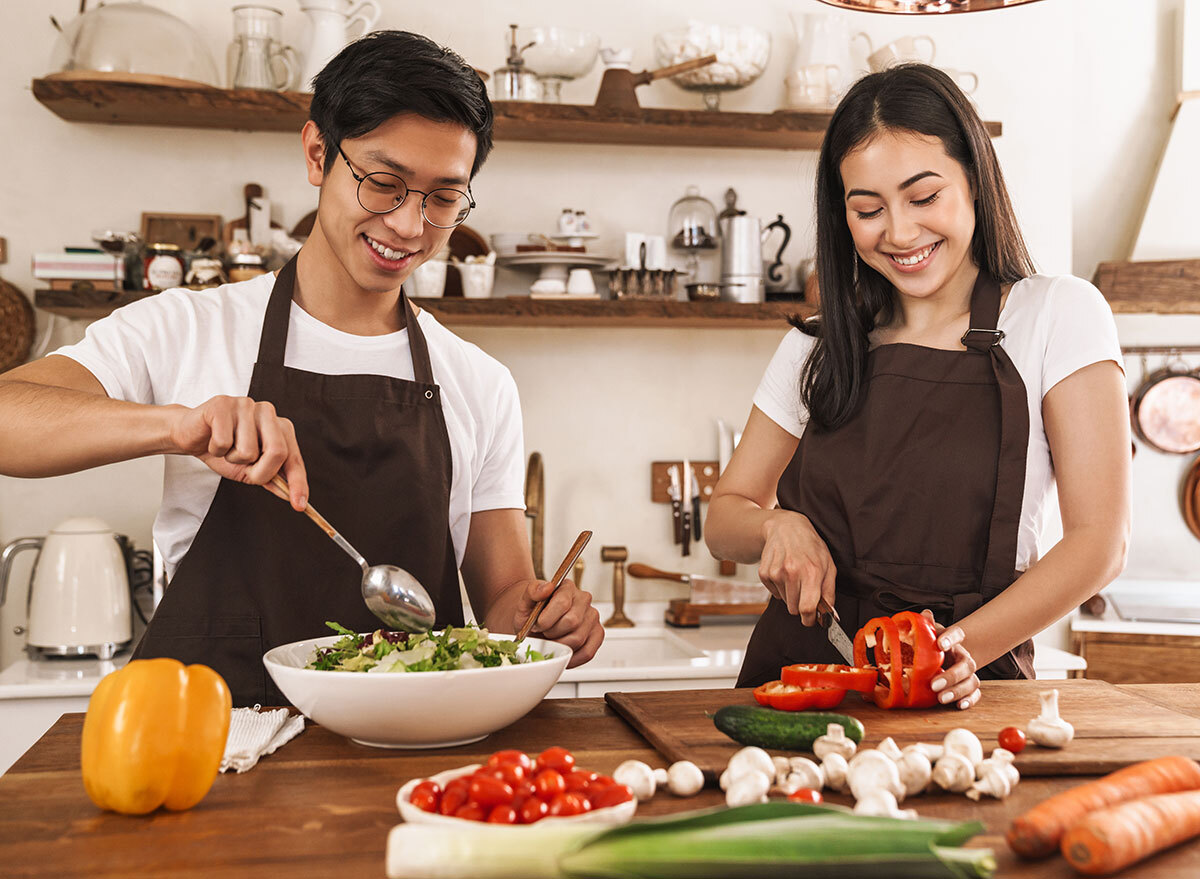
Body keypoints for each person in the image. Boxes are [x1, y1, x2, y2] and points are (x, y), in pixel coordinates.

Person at [0, 31, 603, 705]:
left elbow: (503, 607)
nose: (409, 224)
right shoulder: (188, 328)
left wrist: (541, 619)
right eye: (384, 183)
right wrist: (179, 426)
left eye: (443, 199)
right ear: (318, 153)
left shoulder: (479, 381)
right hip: (212, 750)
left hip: (412, 756)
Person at [705, 64, 1130, 710]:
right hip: (798, 684)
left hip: (964, 686)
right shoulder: (817, 344)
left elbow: (1099, 543)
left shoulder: (1057, 315)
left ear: (975, 184)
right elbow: (723, 517)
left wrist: (957, 648)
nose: (899, 233)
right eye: (868, 210)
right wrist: (776, 527)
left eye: (923, 197)